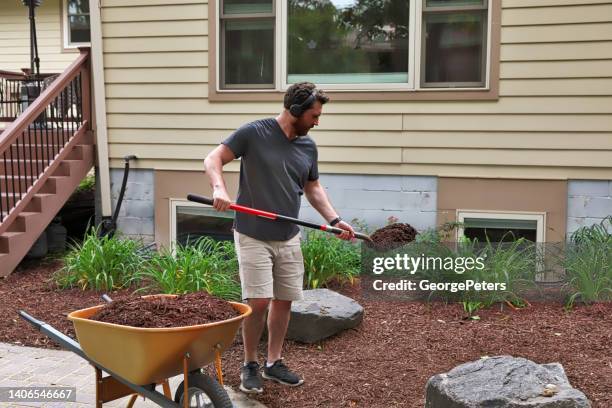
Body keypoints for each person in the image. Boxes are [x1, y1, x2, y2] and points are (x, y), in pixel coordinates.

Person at [203, 82, 355, 394]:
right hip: (253, 233)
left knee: (284, 301)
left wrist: (335, 220)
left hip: (288, 235)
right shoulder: (254, 133)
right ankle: (249, 363)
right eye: (314, 115)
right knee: (258, 302)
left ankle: (274, 363)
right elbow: (213, 159)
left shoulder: (307, 146)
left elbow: (312, 187)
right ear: (296, 111)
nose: (317, 121)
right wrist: (219, 187)